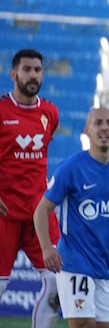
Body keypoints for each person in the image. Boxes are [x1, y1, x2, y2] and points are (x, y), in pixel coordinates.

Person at [32, 106, 109, 328]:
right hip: (74, 261)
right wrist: (46, 248)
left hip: (107, 266)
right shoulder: (71, 168)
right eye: (98, 123)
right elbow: (41, 210)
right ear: (86, 130)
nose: (104, 127)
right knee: (84, 325)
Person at [0, 48, 61, 327]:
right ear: (13, 74)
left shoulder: (50, 113)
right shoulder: (1, 112)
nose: (33, 75)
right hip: (4, 216)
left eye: (37, 69)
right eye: (27, 69)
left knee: (59, 284)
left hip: (40, 215)